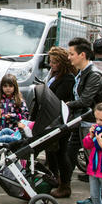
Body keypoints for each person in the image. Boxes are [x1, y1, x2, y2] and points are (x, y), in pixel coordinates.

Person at [55, 37, 102, 199]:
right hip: (80, 121)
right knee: (69, 154)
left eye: (71, 54)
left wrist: (67, 105)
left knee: (94, 161)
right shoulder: (82, 73)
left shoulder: (93, 74)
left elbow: (85, 101)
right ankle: (64, 186)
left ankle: (99, 200)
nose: (69, 57)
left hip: (90, 123)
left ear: (82, 55)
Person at [43, 46, 76, 189]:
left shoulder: (67, 78)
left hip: (60, 119)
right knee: (51, 152)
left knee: (60, 153)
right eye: (50, 61)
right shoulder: (54, 75)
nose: (51, 65)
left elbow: (58, 98)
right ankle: (54, 177)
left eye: (54, 62)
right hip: (52, 118)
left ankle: (64, 184)